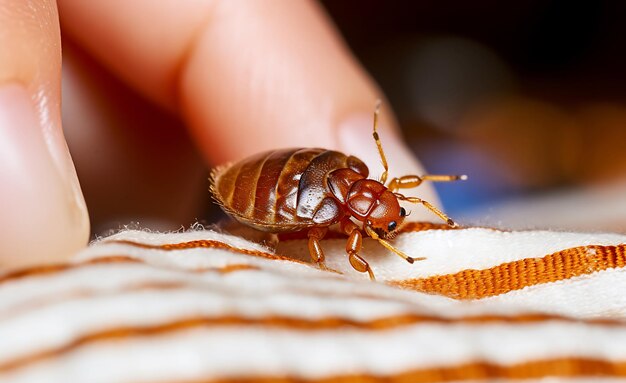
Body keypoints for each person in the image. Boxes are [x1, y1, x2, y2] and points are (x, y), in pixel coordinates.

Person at [0, 0, 437, 269]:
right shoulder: (343, 189)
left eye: (387, 218)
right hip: (258, 188)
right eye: (387, 220)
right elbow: (323, 253)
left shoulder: (356, 174)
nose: (392, 215)